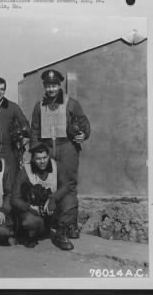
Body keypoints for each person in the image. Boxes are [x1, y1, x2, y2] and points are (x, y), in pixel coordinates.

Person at [30, 69, 90, 235]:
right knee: (48, 184)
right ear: (44, 86)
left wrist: (83, 134)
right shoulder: (39, 106)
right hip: (47, 148)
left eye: (54, 85)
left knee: (68, 185)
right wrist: (35, 151)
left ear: (59, 85)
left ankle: (70, 224)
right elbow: (34, 129)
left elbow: (83, 122)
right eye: (48, 86)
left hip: (67, 147)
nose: (51, 89)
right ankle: (49, 222)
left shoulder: (71, 103)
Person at [11, 142, 77, 250]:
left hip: (51, 209)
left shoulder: (57, 166)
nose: (42, 162)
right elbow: (14, 198)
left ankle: (61, 234)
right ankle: (32, 233)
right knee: (30, 222)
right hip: (35, 211)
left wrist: (53, 198)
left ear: (48, 156)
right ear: (33, 159)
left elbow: (66, 186)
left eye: (45, 157)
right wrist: (29, 207)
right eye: (38, 159)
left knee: (70, 200)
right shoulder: (25, 171)